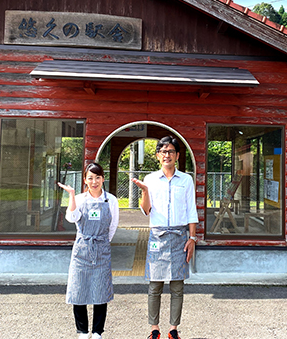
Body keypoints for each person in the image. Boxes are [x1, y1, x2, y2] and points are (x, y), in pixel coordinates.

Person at [132, 136, 198, 339]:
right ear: (158, 156)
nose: (167, 155)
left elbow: (191, 210)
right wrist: (144, 191)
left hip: (180, 235)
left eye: (170, 151)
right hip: (157, 236)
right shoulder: (150, 179)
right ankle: (154, 329)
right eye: (163, 151)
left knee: (177, 286)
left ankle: (173, 329)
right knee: (155, 285)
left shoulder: (186, 180)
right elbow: (146, 210)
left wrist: (192, 238)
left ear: (177, 156)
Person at [58, 162, 119, 339]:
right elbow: (71, 218)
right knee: (79, 289)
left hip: (101, 248)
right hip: (82, 249)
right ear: (85, 180)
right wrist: (71, 195)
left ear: (103, 179)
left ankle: (98, 332)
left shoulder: (111, 200)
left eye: (97, 178)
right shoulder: (79, 199)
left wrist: (102, 242)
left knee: (101, 290)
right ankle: (83, 331)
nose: (94, 182)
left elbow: (113, 225)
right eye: (90, 178)